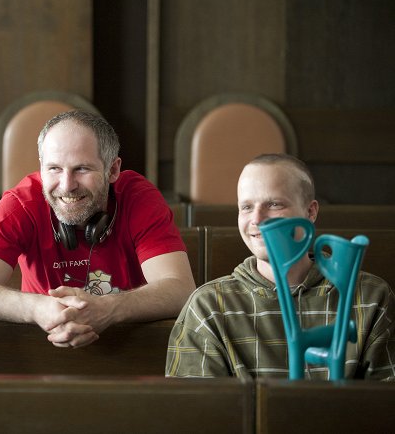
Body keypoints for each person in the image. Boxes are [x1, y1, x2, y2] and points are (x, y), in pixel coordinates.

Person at [0, 110, 195, 348]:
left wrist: (107, 309)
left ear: (113, 170)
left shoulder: (139, 198)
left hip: (130, 354)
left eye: (82, 169)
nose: (67, 186)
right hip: (40, 355)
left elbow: (181, 290)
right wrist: (37, 308)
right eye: (54, 168)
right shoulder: (21, 203)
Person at [166, 154, 395, 380]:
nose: (257, 219)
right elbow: (196, 411)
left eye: (274, 204)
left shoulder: (371, 297)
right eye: (246, 207)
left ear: (311, 211)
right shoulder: (208, 306)